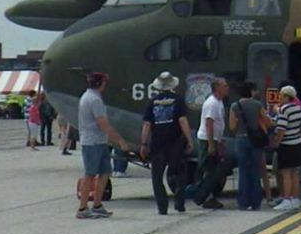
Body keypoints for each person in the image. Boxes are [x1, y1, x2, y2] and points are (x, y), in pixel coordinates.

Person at [76, 72, 131, 218]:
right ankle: (82, 208)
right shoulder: (94, 100)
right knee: (90, 174)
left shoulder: (88, 97)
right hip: (92, 141)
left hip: (98, 140)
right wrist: (119, 140)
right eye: (104, 82)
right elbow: (102, 123)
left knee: (105, 172)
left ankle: (97, 204)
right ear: (100, 83)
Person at [139, 72, 194, 216]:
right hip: (175, 142)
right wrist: (189, 140)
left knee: (157, 177)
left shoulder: (152, 101)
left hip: (157, 143)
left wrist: (144, 144)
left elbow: (147, 124)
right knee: (180, 173)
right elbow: (183, 121)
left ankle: (162, 207)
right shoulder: (178, 100)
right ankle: (179, 202)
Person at [227, 81, 272, 211]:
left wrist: (238, 122)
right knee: (255, 171)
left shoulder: (235, 106)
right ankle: (255, 202)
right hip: (255, 141)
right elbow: (268, 122)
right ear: (251, 91)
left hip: (241, 140)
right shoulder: (257, 105)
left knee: (243, 171)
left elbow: (232, 127)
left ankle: (243, 202)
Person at [188, 78, 231, 209]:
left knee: (214, 170)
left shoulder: (219, 102)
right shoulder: (212, 103)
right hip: (207, 140)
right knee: (208, 169)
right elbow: (209, 124)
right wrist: (212, 144)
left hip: (213, 140)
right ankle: (203, 196)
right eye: (225, 85)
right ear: (217, 88)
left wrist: (219, 141)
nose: (227, 87)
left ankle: (210, 196)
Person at [271, 85, 301, 211]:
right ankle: (295, 199)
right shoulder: (297, 108)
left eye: (281, 95)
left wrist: (276, 143)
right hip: (297, 143)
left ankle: (286, 199)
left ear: (286, 96)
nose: (279, 97)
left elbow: (281, 128)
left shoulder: (284, 109)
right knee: (294, 172)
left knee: (285, 173)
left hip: (286, 144)